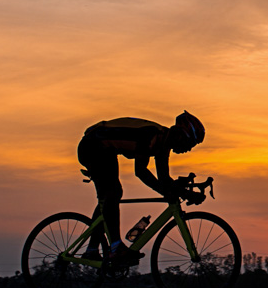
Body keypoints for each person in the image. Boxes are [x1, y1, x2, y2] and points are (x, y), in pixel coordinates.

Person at [77, 111, 206, 263]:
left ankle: (92, 250)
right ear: (181, 135)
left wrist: (186, 193)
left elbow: (164, 180)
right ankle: (116, 247)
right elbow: (141, 172)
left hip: (105, 149)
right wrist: (167, 192)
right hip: (93, 147)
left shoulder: (163, 145)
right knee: (113, 192)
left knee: (108, 197)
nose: (188, 149)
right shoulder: (151, 135)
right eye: (189, 144)